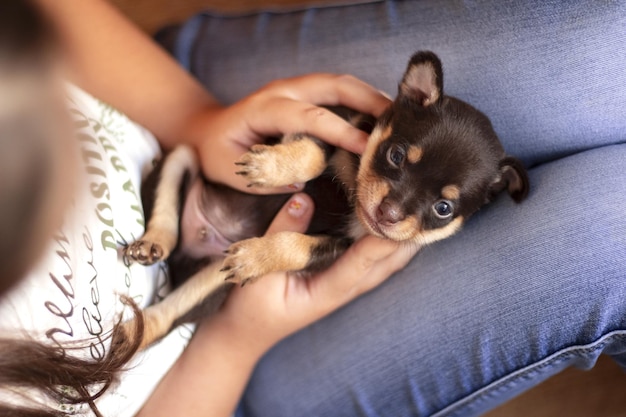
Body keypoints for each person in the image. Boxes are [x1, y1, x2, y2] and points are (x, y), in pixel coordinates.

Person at [1, 1, 625, 417]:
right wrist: (237, 342)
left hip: (179, 107)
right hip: (217, 369)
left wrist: (198, 118)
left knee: (611, 45)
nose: (390, 211)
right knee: (611, 238)